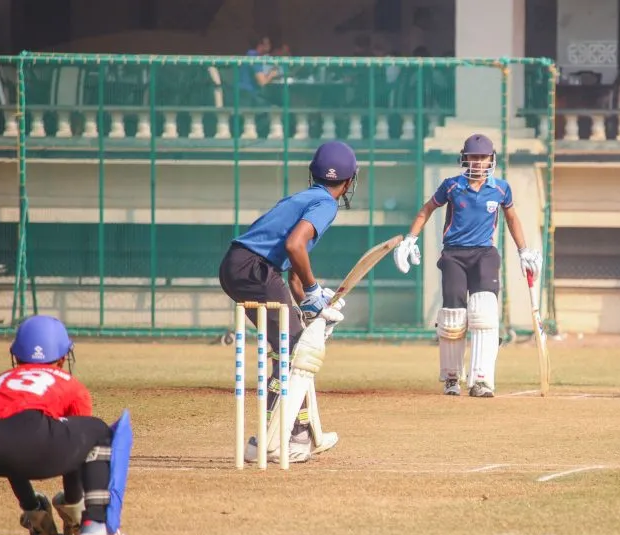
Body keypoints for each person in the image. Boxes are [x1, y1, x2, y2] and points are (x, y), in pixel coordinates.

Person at [218, 141, 355, 463]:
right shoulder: (325, 204)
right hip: (255, 269)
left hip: (240, 266)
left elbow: (293, 268)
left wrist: (313, 304)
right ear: (349, 181)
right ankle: (279, 438)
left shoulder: (302, 197)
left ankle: (300, 433)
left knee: (293, 348)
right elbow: (296, 247)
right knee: (295, 352)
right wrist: (312, 289)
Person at [0, 315, 132, 535]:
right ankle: (96, 524)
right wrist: (72, 501)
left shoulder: (1, 379)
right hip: (31, 440)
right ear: (61, 358)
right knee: (96, 431)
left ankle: (32, 512)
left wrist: (31, 506)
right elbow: (77, 454)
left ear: (17, 356)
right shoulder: (70, 384)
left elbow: (5, 442)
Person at [392, 134, 541, 397]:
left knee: (484, 313)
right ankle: (452, 378)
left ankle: (481, 381)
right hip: (454, 255)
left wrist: (524, 251)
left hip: (484, 253)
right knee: (453, 316)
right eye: (473, 156)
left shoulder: (501, 189)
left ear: (490, 160)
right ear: (465, 157)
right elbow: (426, 209)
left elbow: (512, 218)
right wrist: (409, 240)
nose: (478, 162)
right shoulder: (451, 186)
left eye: (483, 157)